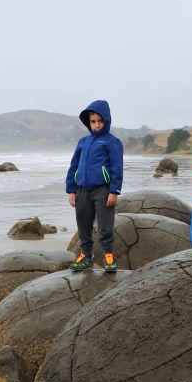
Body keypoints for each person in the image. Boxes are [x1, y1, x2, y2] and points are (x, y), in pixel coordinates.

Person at [66, 99, 124, 272]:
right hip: (82, 190)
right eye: (93, 121)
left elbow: (117, 168)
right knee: (83, 224)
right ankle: (86, 256)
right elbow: (73, 166)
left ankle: (108, 255)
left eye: (100, 121)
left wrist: (114, 191)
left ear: (106, 121)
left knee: (105, 225)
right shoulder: (83, 142)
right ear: (88, 122)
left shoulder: (112, 142)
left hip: (103, 190)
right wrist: (71, 189)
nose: (97, 125)